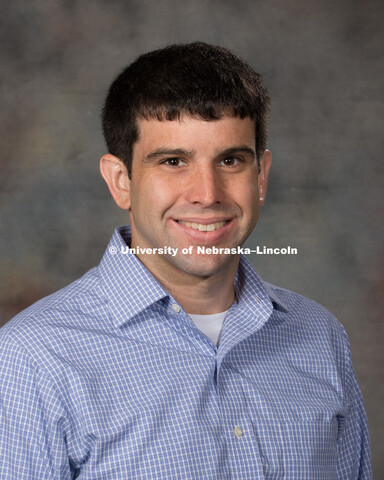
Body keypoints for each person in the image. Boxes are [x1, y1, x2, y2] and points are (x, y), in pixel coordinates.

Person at [0, 42, 372, 479]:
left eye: (231, 160)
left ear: (261, 177)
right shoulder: (32, 358)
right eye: (173, 161)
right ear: (121, 181)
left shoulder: (320, 336)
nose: (208, 193)